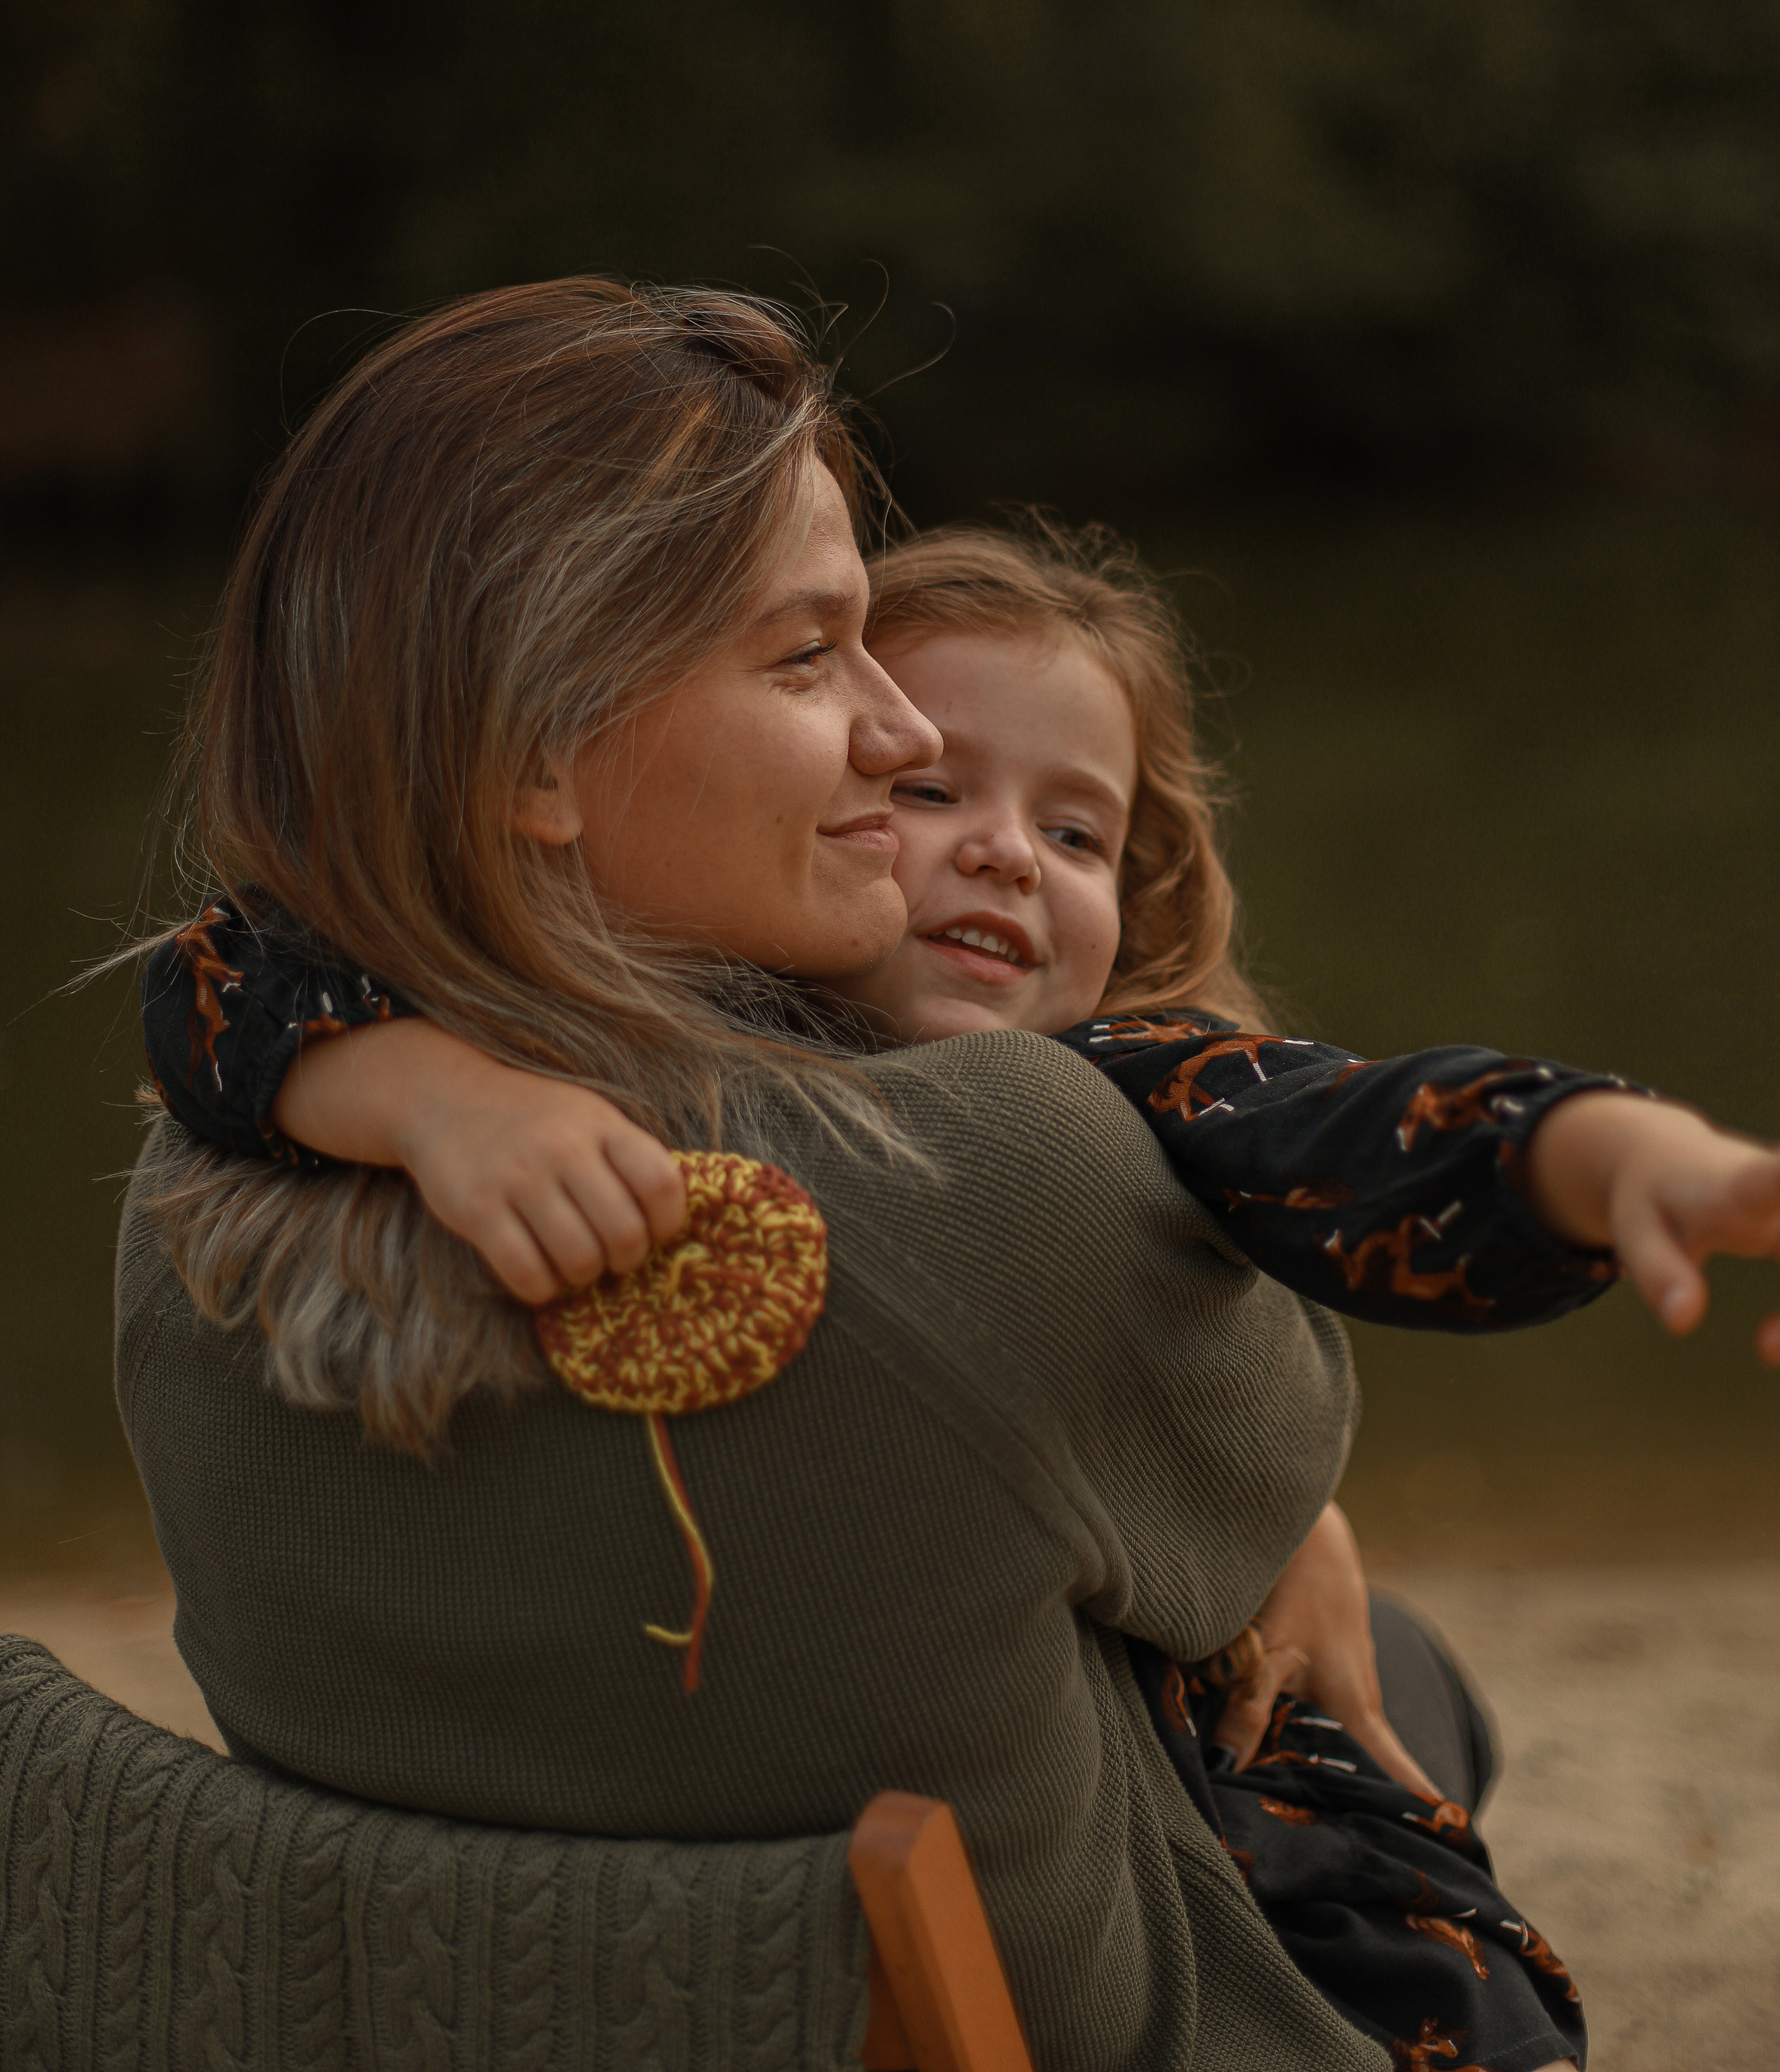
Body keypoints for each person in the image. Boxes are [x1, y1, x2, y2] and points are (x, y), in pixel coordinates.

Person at [127, 282, 1780, 2071]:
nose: (902, 738)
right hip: (1091, 2021)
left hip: (524, 2007)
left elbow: (232, 969)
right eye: (808, 655)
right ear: (534, 755)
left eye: (1072, 828)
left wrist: (406, 1081)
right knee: (1390, 1687)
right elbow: (1282, 1318)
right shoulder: (989, 1172)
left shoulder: (196, 1202)